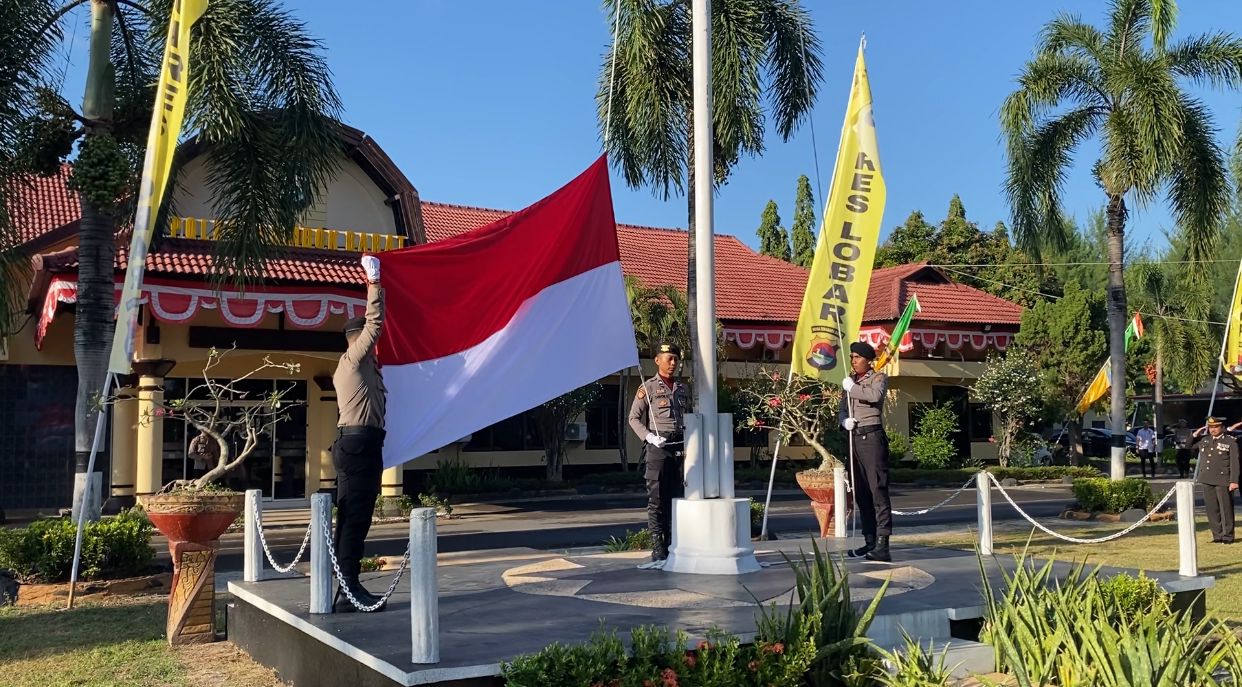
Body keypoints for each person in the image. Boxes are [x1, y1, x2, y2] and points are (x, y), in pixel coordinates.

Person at [331, 254, 388, 612]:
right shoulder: (354, 359)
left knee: (356, 517)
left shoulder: (361, 368)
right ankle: (348, 590)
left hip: (361, 444)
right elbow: (375, 323)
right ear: (357, 340)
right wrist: (374, 282)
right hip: (357, 445)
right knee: (354, 520)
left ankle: (346, 587)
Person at [627, 342, 690, 563]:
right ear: (657, 360)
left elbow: (688, 416)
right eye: (668, 358)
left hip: (679, 446)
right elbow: (633, 418)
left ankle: (674, 541)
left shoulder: (682, 389)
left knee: (677, 498)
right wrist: (649, 437)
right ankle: (657, 544)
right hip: (658, 447)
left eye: (675, 359)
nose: (673, 363)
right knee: (657, 499)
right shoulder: (649, 387)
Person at [840, 342, 893, 562]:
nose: (853, 360)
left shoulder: (877, 377)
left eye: (856, 357)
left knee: (877, 490)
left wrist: (852, 389)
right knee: (861, 492)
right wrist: (844, 421)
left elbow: (875, 396)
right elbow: (843, 408)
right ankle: (869, 539)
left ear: (868, 360)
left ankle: (883, 544)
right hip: (855, 437)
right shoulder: (850, 381)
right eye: (851, 357)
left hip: (872, 437)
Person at [1192, 417, 1240, 544]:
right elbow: (1188, 446)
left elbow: (1235, 463)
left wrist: (1234, 481)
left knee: (1226, 508)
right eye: (1211, 427)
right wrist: (1195, 434)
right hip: (1207, 478)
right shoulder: (1205, 440)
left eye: (1215, 427)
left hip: (1223, 479)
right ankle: (1217, 535)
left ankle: (1228, 536)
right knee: (1212, 509)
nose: (1213, 430)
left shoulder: (1230, 441)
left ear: (1222, 428)